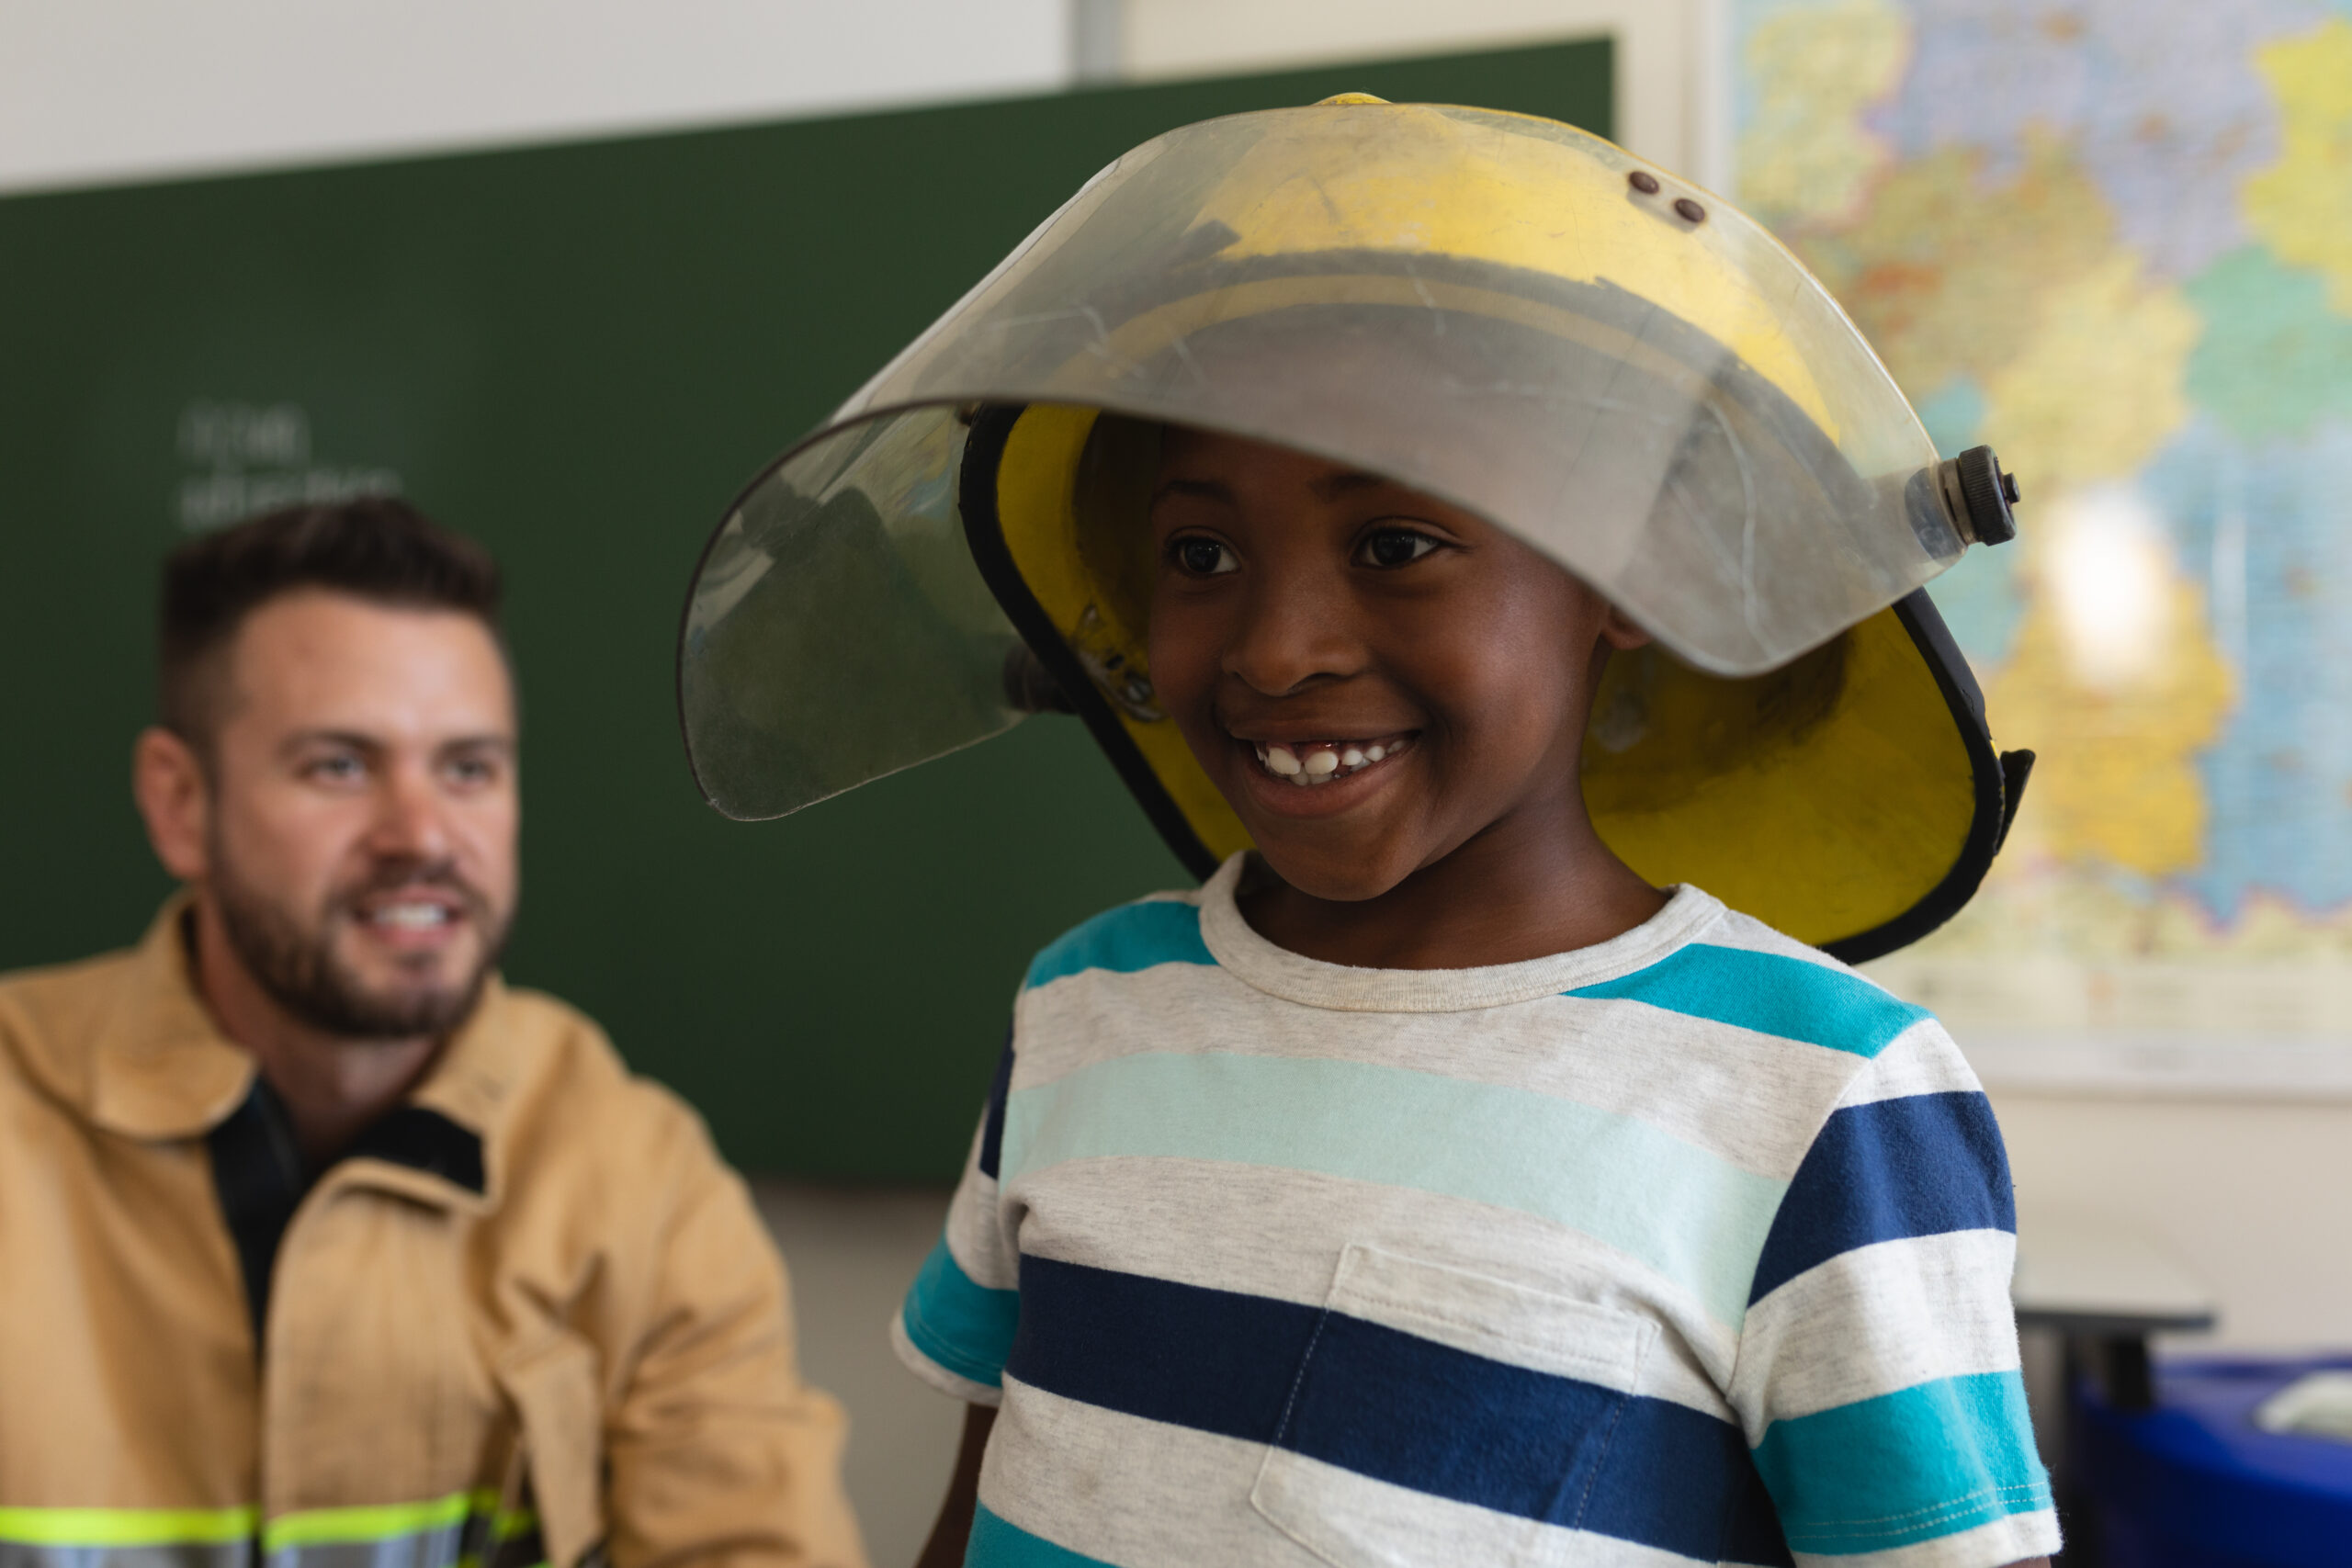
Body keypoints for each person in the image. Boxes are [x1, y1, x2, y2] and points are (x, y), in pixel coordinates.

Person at [674, 97, 2054, 1567]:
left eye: (1397, 543)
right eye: (1200, 553)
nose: (1276, 648)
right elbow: (975, 1513)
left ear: (1629, 568)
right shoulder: (1085, 1005)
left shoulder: (1824, 1100)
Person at [0, 500, 867, 1568]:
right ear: (181, 804)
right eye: (339, 765)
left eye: (468, 769)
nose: (420, 836)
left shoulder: (637, 1178)